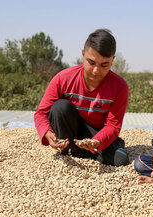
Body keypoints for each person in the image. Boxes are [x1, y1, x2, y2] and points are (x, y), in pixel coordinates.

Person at [34, 28, 130, 166]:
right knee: (60, 107)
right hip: (69, 131)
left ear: (113, 60)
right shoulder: (63, 79)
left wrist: (96, 141)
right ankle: (75, 149)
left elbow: (113, 126)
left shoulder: (119, 86)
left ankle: (81, 150)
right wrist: (47, 133)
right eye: (91, 63)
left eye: (104, 65)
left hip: (96, 133)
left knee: (121, 160)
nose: (96, 71)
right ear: (83, 55)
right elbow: (41, 113)